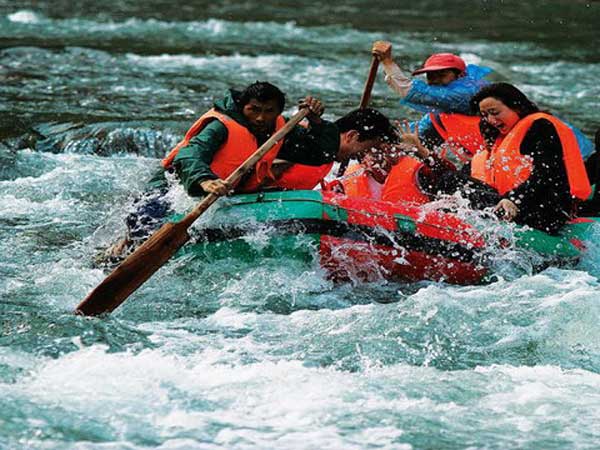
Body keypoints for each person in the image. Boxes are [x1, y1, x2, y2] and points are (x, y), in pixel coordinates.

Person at [101, 82, 394, 261]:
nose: (261, 118)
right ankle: (117, 252)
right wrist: (205, 180)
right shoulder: (220, 126)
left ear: (279, 111)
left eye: (269, 111)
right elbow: (190, 156)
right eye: (255, 110)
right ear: (244, 106)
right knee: (143, 224)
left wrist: (317, 122)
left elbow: (321, 152)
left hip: (226, 193)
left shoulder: (280, 129)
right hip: (174, 187)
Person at [385, 83, 591, 235]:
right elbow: (459, 178)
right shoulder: (497, 144)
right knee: (448, 181)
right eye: (485, 115)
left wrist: (514, 199)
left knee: (453, 190)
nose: (491, 120)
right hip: (510, 204)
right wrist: (423, 153)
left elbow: (547, 173)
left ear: (517, 107)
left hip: (544, 210)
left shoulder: (540, 126)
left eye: (495, 112)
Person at [371, 41, 491, 147]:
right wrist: (382, 132)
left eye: (442, 75)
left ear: (460, 75)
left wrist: (387, 61)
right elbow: (422, 127)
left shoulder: (464, 94)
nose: (435, 80)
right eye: (431, 76)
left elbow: (412, 92)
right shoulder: (447, 101)